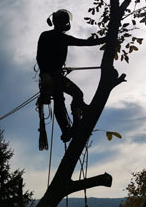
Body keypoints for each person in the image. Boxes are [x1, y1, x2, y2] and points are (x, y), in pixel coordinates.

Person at [36, 9, 105, 142]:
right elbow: (40, 57)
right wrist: (46, 74)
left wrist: (104, 39)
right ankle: (74, 123)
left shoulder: (53, 36)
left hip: (52, 75)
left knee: (61, 100)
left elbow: (84, 42)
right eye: (63, 22)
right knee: (75, 95)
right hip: (52, 75)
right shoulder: (55, 37)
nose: (64, 25)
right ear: (58, 22)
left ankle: (68, 129)